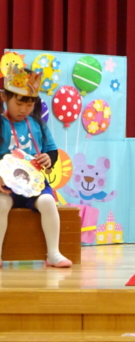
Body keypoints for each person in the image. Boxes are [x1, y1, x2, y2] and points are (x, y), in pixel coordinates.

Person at [0, 64, 72, 268]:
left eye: (29, 104)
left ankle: (53, 253)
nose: (24, 109)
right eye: (19, 103)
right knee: (1, 204)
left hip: (35, 185)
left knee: (48, 202)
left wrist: (49, 159)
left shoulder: (38, 125)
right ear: (4, 97)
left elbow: (52, 151)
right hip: (6, 186)